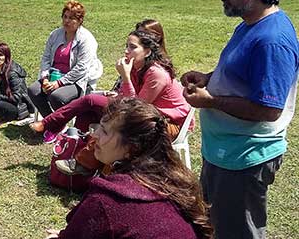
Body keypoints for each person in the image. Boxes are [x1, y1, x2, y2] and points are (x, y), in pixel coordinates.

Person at [181, 0, 299, 239]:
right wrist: (208, 78)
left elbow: (268, 108)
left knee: (237, 233)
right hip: (225, 153)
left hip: (244, 159)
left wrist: (211, 101)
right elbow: (243, 75)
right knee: (217, 226)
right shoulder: (249, 25)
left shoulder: (272, 40)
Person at [44, 97, 212, 239]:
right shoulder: (172, 182)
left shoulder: (107, 200)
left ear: (131, 147)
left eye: (104, 131)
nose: (94, 136)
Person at [32, 27, 190, 174]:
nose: (126, 51)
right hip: (146, 116)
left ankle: (51, 124)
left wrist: (125, 76)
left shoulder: (156, 74)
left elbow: (136, 109)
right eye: (126, 46)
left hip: (168, 125)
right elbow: (128, 99)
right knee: (89, 112)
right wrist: (117, 92)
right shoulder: (137, 66)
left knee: (91, 100)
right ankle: (82, 160)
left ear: (147, 52)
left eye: (132, 47)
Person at [27, 0, 102, 118]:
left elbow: (82, 68)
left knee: (57, 97)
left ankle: (58, 123)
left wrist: (59, 83)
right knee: (33, 90)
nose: (66, 21)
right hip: (53, 75)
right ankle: (50, 122)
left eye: (71, 18)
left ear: (79, 20)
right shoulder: (55, 34)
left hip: (76, 80)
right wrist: (45, 78)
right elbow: (46, 58)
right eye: (65, 17)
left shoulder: (87, 39)